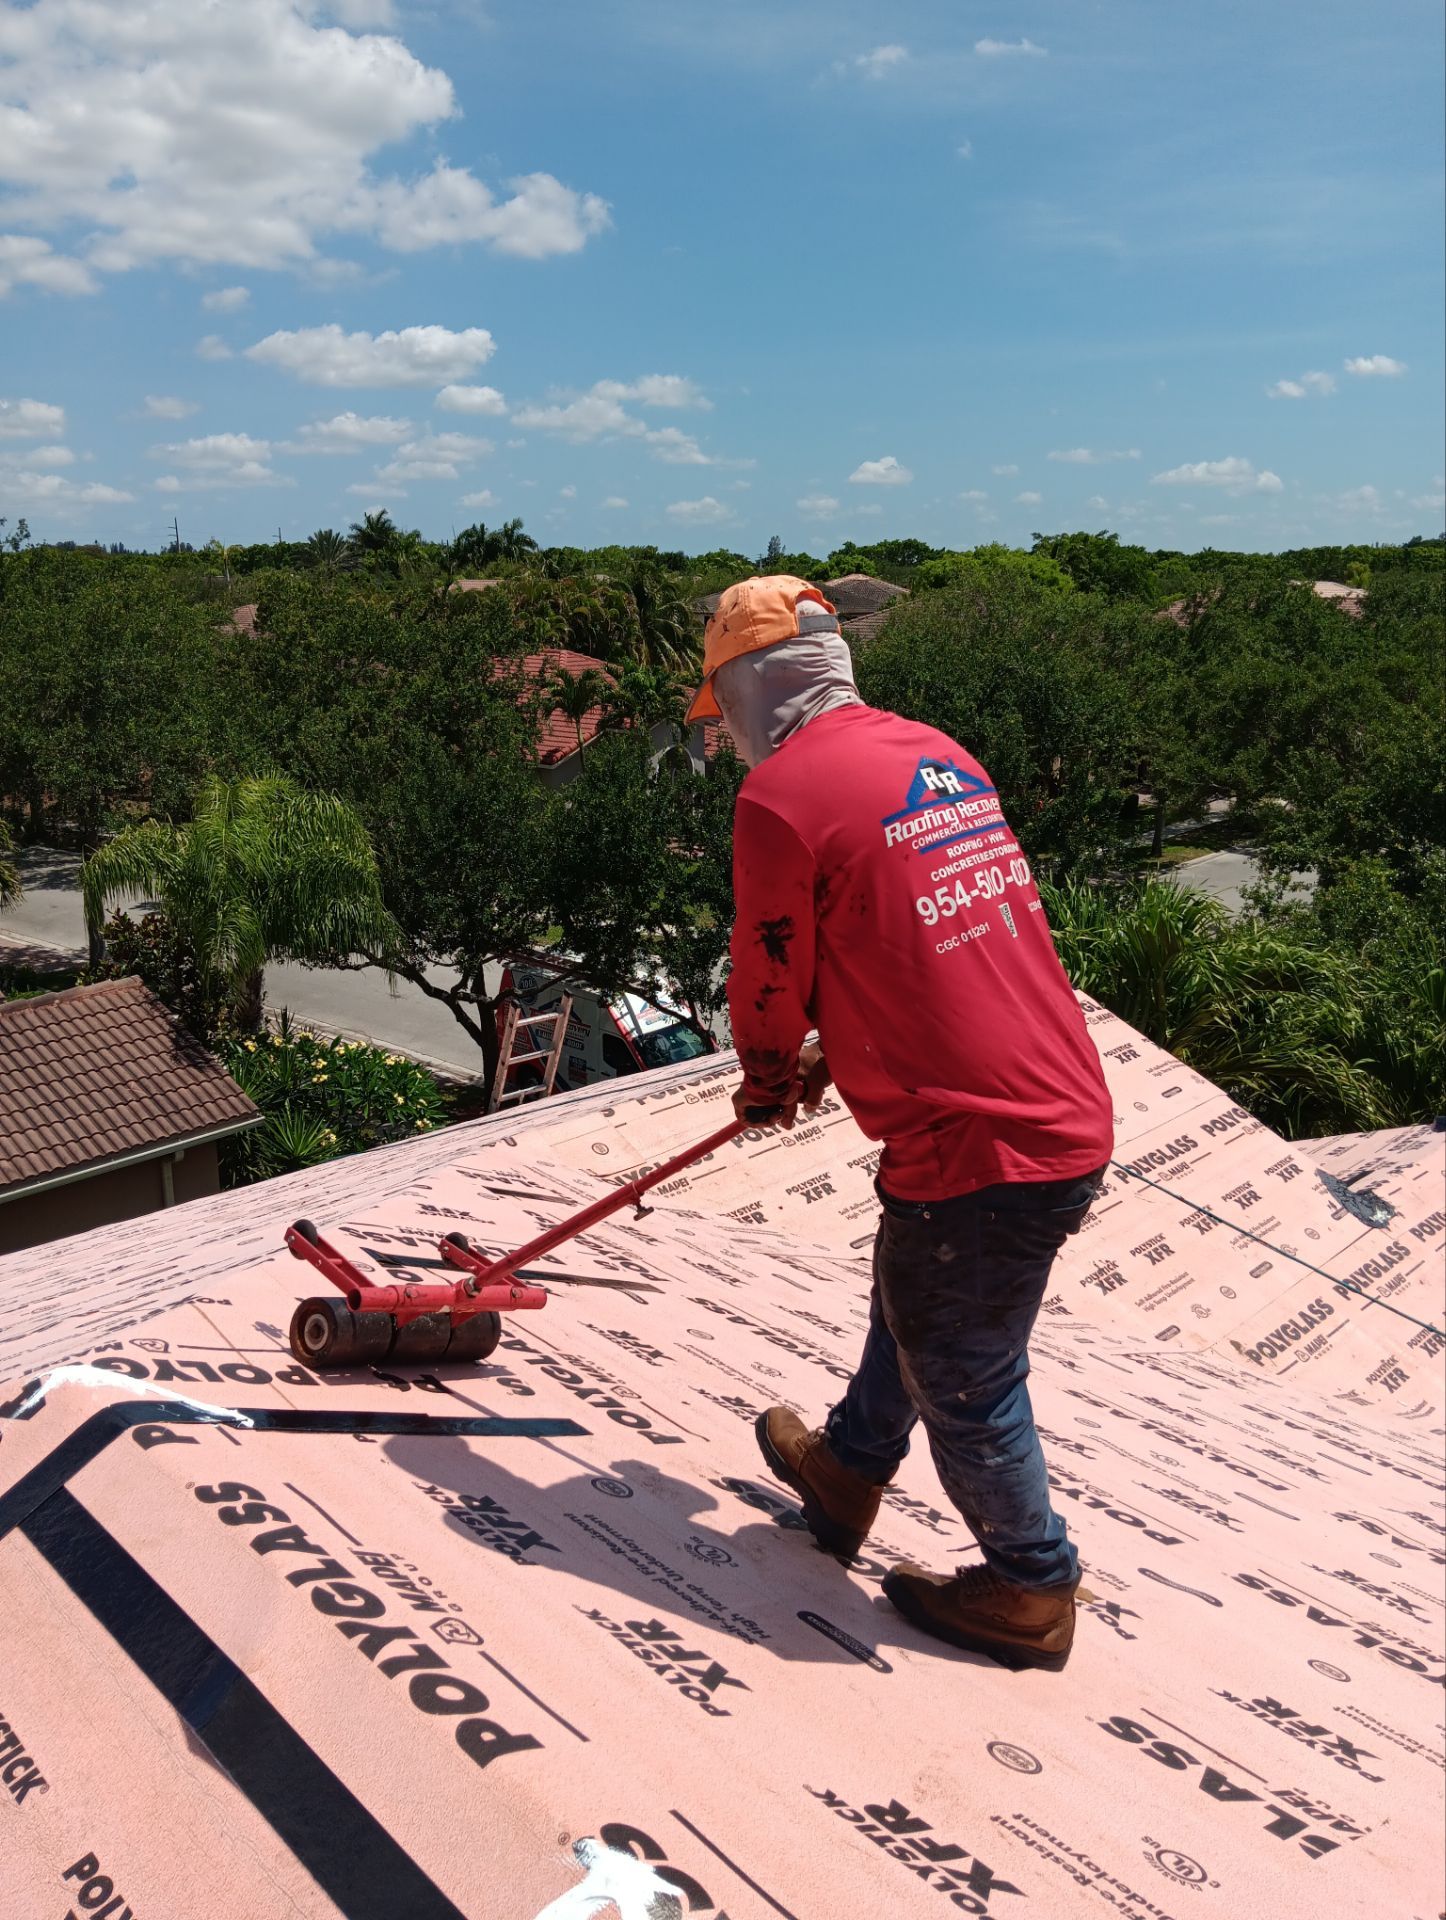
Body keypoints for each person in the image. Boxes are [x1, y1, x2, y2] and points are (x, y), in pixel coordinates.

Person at [687, 575, 1113, 1672]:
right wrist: (854, 1045)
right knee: (919, 1283)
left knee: (961, 1362)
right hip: (1051, 1097)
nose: (726, 736)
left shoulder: (779, 796)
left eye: (721, 710)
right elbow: (927, 936)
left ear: (744, 688)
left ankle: (1031, 1584)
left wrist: (771, 1074)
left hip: (984, 1139)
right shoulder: (934, 751)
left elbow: (771, 971)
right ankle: (846, 1468)